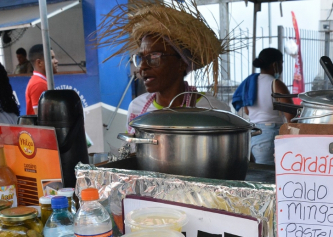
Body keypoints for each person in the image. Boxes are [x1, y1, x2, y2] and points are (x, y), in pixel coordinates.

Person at [93, 1, 230, 134]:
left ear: (181, 63)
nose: (143, 67)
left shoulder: (212, 111)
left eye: (154, 57)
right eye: (141, 58)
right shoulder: (137, 108)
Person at [232, 48, 294, 165]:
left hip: (252, 133)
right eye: (281, 63)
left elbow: (247, 110)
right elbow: (290, 114)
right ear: (275, 64)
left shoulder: (249, 82)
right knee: (268, 175)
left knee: (258, 172)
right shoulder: (276, 84)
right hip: (270, 134)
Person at [25, 44, 58, 115]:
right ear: (39, 63)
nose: (56, 61)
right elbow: (42, 118)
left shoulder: (41, 81)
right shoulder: (39, 84)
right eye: (52, 58)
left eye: (54, 57)